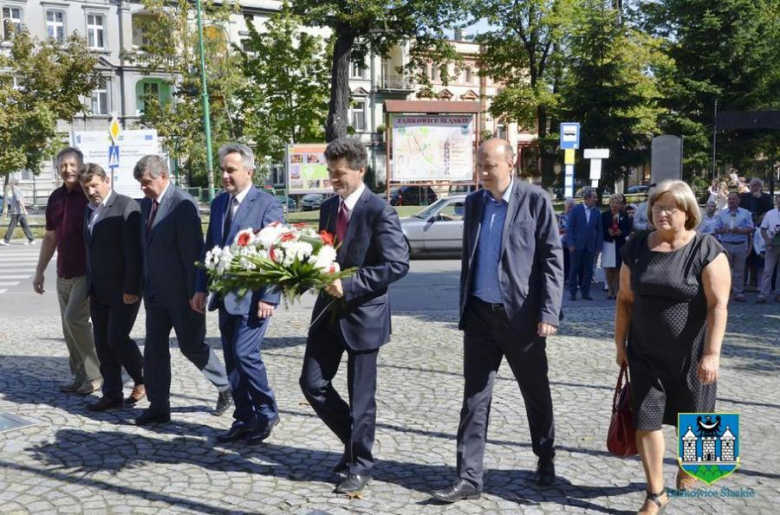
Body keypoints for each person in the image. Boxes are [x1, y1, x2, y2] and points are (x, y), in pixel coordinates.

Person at [431, 139, 563, 503]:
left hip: (521, 318)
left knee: (535, 393)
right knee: (474, 399)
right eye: (480, 166)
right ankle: (469, 477)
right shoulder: (474, 203)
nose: (484, 173)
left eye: (490, 166)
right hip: (479, 316)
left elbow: (552, 259)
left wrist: (549, 312)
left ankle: (545, 456)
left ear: (511, 163)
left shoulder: (535, 200)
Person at [299, 138, 409, 494]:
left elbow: (397, 263)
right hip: (328, 313)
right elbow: (326, 253)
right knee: (312, 383)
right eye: (330, 172)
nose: (333, 178)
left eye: (340, 173)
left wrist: (353, 284)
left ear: (360, 170)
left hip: (364, 316)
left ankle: (360, 466)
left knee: (362, 398)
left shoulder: (380, 211)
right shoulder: (329, 208)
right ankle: (353, 442)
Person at [615, 180, 730, 514]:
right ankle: (655, 493)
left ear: (687, 212)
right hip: (645, 352)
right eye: (657, 206)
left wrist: (712, 354)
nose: (662, 213)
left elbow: (718, 305)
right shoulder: (635, 246)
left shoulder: (707, 248)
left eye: (670, 207)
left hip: (692, 355)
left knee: (697, 419)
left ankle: (691, 467)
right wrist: (619, 344)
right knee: (646, 421)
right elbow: (624, 299)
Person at [194, 144, 283, 444]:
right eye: (222, 169)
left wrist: (270, 296)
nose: (225, 175)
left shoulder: (267, 204)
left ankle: (267, 413)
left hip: (254, 298)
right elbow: (210, 249)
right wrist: (200, 288)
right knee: (232, 360)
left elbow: (275, 252)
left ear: (249, 171)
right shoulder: (220, 203)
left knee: (246, 355)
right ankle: (243, 418)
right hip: (223, 295)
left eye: (230, 170)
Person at [134, 155, 232, 425]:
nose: (143, 188)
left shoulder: (182, 204)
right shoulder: (146, 205)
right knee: (154, 350)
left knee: (191, 346)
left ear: (164, 176)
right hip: (154, 293)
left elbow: (193, 253)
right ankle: (158, 406)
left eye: (147, 182)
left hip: (183, 295)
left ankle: (226, 386)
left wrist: (196, 291)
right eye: (140, 184)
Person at [33, 148, 102, 395]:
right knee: (67, 326)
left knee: (75, 319)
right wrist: (40, 271)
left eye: (72, 165)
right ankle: (79, 376)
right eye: (63, 165)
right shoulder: (55, 198)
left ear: (80, 166)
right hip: (63, 272)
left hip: (86, 271)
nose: (68, 169)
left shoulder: (89, 195)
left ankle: (95, 375)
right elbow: (50, 237)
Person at [79, 163, 145, 412]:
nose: (91, 191)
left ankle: (143, 378)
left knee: (117, 338)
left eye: (95, 185)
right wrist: (89, 287)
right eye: (87, 188)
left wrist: (131, 287)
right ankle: (112, 394)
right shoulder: (88, 211)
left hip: (123, 289)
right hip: (98, 290)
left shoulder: (126, 206)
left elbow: (133, 252)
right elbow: (91, 252)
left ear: (107, 180)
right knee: (103, 344)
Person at [715, 193, 753, 302]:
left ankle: (738, 293)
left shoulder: (746, 213)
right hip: (726, 244)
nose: (731, 201)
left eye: (734, 199)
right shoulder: (721, 214)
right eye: (730, 199)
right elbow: (716, 229)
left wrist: (739, 230)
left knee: (739, 271)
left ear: (738, 200)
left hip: (740, 244)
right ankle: (724, 292)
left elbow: (751, 228)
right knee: (724, 271)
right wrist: (724, 230)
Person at [567, 187, 602, 300]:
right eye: (594, 197)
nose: (596, 199)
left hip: (590, 246)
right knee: (574, 270)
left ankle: (585, 292)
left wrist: (598, 246)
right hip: (577, 245)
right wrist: (571, 243)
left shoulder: (597, 212)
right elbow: (570, 227)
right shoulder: (576, 210)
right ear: (586, 198)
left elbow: (599, 230)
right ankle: (572, 292)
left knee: (588, 271)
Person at [601, 194, 631, 299]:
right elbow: (601, 229)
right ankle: (610, 289)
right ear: (609, 204)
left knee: (618, 267)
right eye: (612, 203)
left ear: (620, 205)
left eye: (616, 203)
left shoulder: (624, 215)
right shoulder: (604, 215)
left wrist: (621, 232)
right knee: (609, 267)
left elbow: (628, 229)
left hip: (619, 243)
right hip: (608, 243)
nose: (614, 205)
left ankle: (617, 288)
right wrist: (608, 232)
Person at [757, 194, 780, 303]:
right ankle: (763, 294)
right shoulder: (770, 214)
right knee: (767, 270)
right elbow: (763, 229)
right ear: (776, 203)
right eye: (778, 202)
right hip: (772, 245)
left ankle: (778, 293)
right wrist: (767, 240)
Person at [0, 179, 35, 246]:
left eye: (10, 184)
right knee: (25, 226)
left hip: (17, 212)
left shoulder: (15, 190)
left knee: (11, 226)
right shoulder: (19, 190)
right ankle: (31, 239)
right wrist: (23, 210)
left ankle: (6, 241)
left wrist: (24, 210)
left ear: (13, 184)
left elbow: (19, 201)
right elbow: (21, 200)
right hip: (20, 212)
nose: (10, 186)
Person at [557, 198, 575, 282]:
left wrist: (567, 230)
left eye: (572, 206)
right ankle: (564, 278)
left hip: (574, 242)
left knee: (573, 262)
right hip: (563, 242)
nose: (570, 208)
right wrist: (569, 230)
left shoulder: (576, 216)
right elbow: (558, 230)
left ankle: (572, 279)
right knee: (565, 262)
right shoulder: (561, 216)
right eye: (569, 206)